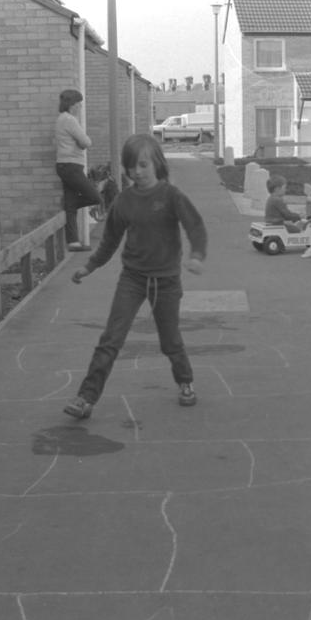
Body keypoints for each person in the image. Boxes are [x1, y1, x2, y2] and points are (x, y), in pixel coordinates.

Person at [64, 133, 208, 420]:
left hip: (166, 281)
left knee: (170, 340)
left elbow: (195, 226)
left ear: (156, 163)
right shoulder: (123, 201)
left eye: (143, 165)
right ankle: (85, 398)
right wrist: (89, 267)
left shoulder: (171, 196)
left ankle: (185, 381)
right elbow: (109, 241)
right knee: (111, 338)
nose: (136, 172)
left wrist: (196, 255)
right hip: (133, 279)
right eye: (131, 167)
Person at [54, 89, 102, 252]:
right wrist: (84, 142)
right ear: (72, 105)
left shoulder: (61, 119)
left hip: (64, 165)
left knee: (71, 206)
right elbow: (85, 142)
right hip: (72, 166)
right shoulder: (70, 120)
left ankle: (73, 242)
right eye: (79, 104)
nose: (80, 107)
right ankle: (68, 205)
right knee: (95, 197)